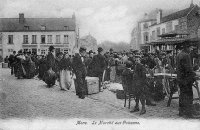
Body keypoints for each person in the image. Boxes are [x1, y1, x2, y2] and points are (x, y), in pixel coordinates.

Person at [176, 41, 200, 118]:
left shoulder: (179, 54)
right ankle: (189, 114)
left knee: (182, 95)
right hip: (186, 80)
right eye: (190, 48)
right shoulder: (186, 55)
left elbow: (183, 68)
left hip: (181, 79)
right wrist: (195, 73)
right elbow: (188, 69)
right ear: (187, 47)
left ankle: (181, 112)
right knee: (189, 95)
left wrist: (193, 69)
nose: (191, 49)